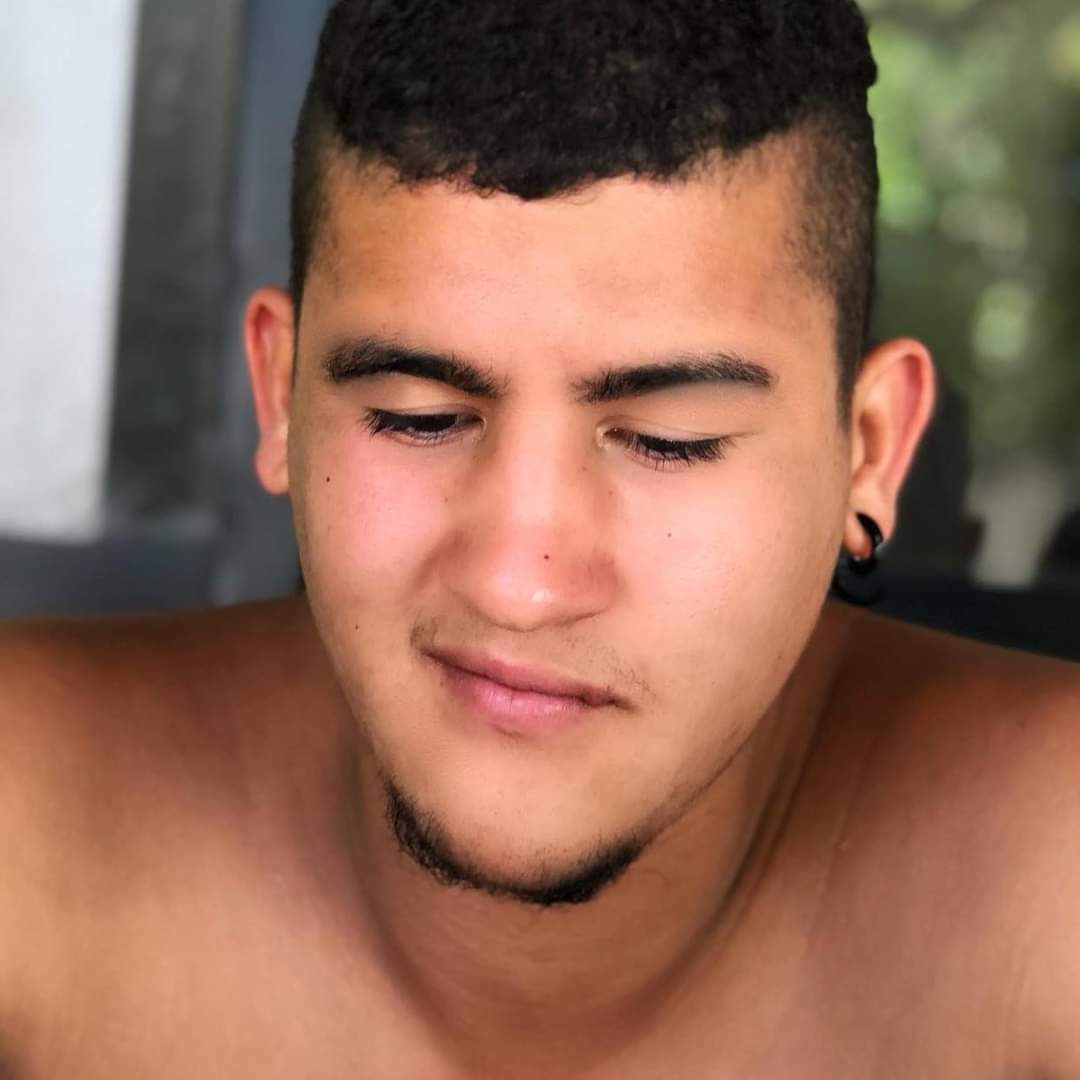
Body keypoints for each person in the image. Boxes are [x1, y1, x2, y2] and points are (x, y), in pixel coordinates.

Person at [2, 1, 1079, 1075]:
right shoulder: (33, 816)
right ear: (282, 395)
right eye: (419, 418)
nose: (519, 585)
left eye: (669, 440)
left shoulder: (1047, 872)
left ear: (871, 449)